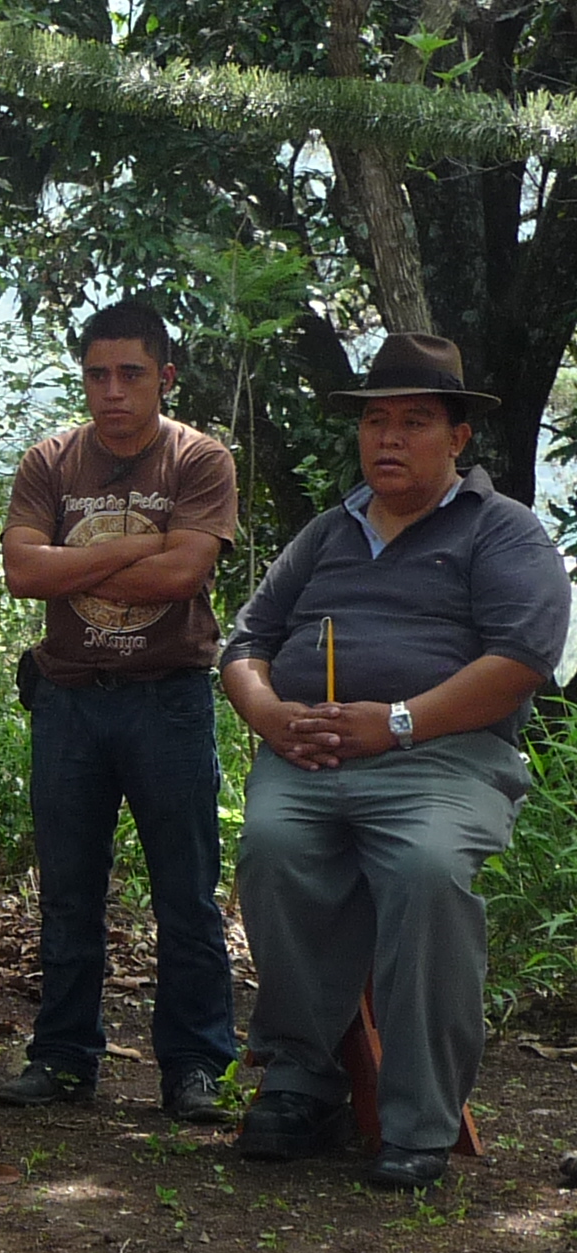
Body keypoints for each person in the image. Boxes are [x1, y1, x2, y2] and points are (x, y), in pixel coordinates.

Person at [221, 333, 569, 1191]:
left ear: (458, 437)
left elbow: (521, 659)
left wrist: (400, 723)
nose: (388, 438)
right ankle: (302, 1081)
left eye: (414, 421)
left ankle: (419, 1119)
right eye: (376, 421)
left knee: (425, 870)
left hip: (444, 761)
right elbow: (246, 641)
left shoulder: (504, 531)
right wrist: (269, 715)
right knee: (273, 849)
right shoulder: (326, 533)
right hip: (308, 756)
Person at [0, 297, 239, 1123]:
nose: (112, 392)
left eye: (130, 374)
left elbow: (184, 576)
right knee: (68, 890)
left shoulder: (198, 461)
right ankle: (63, 1055)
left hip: (168, 697)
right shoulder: (51, 463)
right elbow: (23, 574)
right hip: (69, 697)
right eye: (97, 375)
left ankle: (195, 1064)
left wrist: (74, 559)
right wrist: (141, 544)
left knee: (186, 891)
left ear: (163, 377)